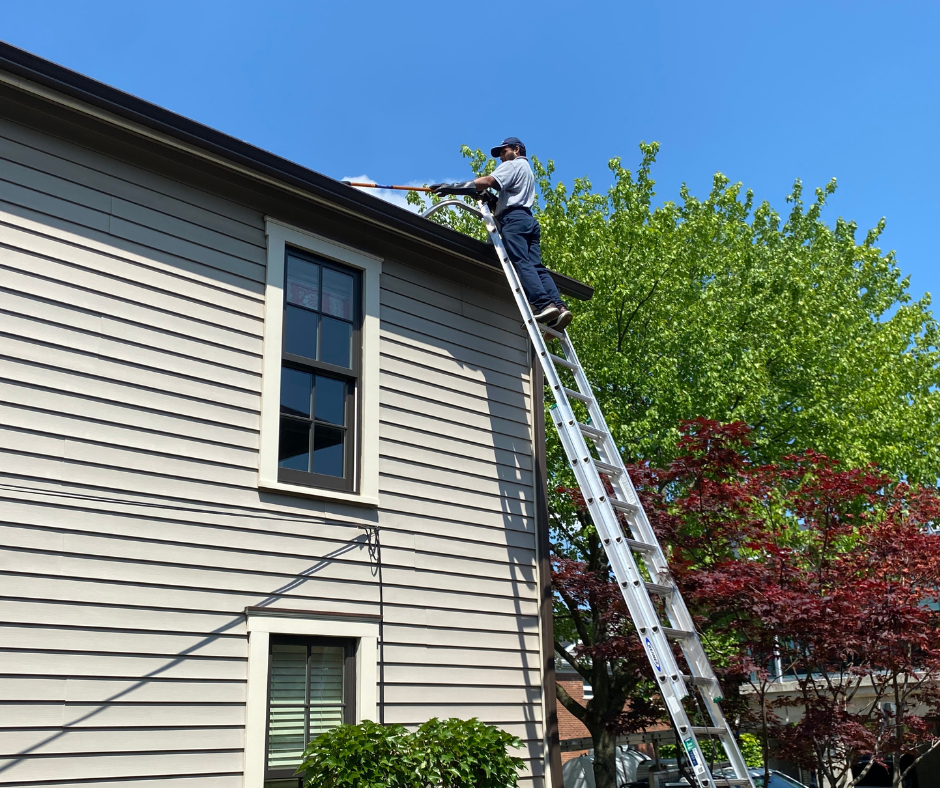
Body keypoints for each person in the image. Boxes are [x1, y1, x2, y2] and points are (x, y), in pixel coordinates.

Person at [432, 137, 573, 330]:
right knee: (537, 267)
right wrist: (491, 199)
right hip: (527, 219)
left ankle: (544, 304)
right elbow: (507, 200)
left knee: (521, 262)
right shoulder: (527, 172)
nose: (500, 156)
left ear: (516, 149)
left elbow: (488, 181)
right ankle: (559, 307)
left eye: (502, 151)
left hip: (514, 221)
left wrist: (455, 188)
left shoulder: (513, 165)